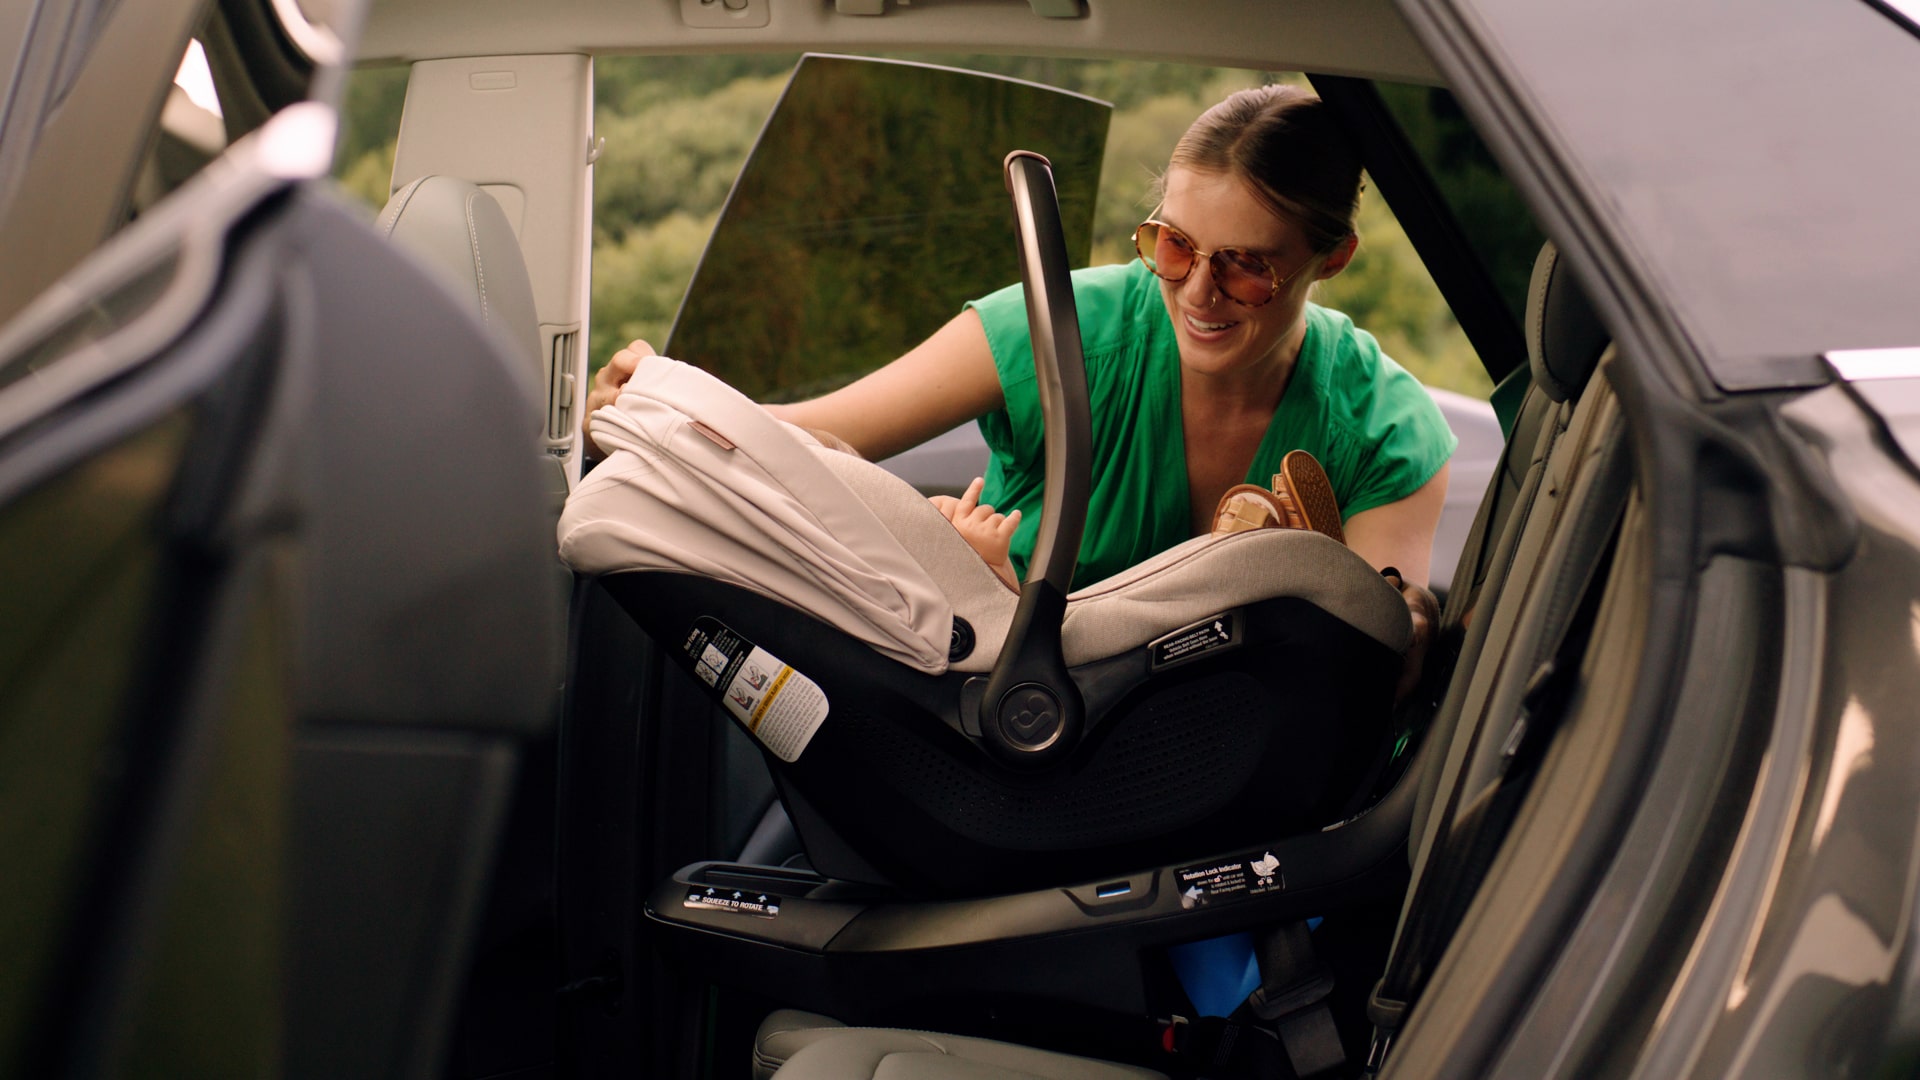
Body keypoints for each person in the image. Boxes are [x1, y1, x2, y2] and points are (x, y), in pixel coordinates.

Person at [586, 84, 1454, 694]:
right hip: (1016, 720)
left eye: (1246, 266)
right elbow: (815, 439)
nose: (1197, 292)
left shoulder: (1385, 428)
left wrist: (1386, 621)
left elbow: (1372, 673)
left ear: (1331, 258)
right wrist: (659, 402)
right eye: (1174, 246)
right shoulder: (1059, 327)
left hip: (1235, 762)